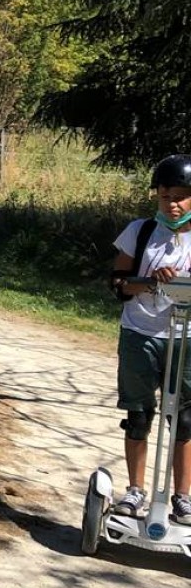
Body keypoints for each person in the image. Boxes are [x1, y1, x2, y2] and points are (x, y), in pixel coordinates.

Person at [109, 153, 191, 523]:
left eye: (180, 196)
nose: (172, 204)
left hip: (186, 340)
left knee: (186, 421)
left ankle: (182, 498)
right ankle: (136, 491)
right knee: (139, 415)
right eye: (164, 196)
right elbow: (118, 283)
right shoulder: (140, 231)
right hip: (140, 333)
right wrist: (151, 279)